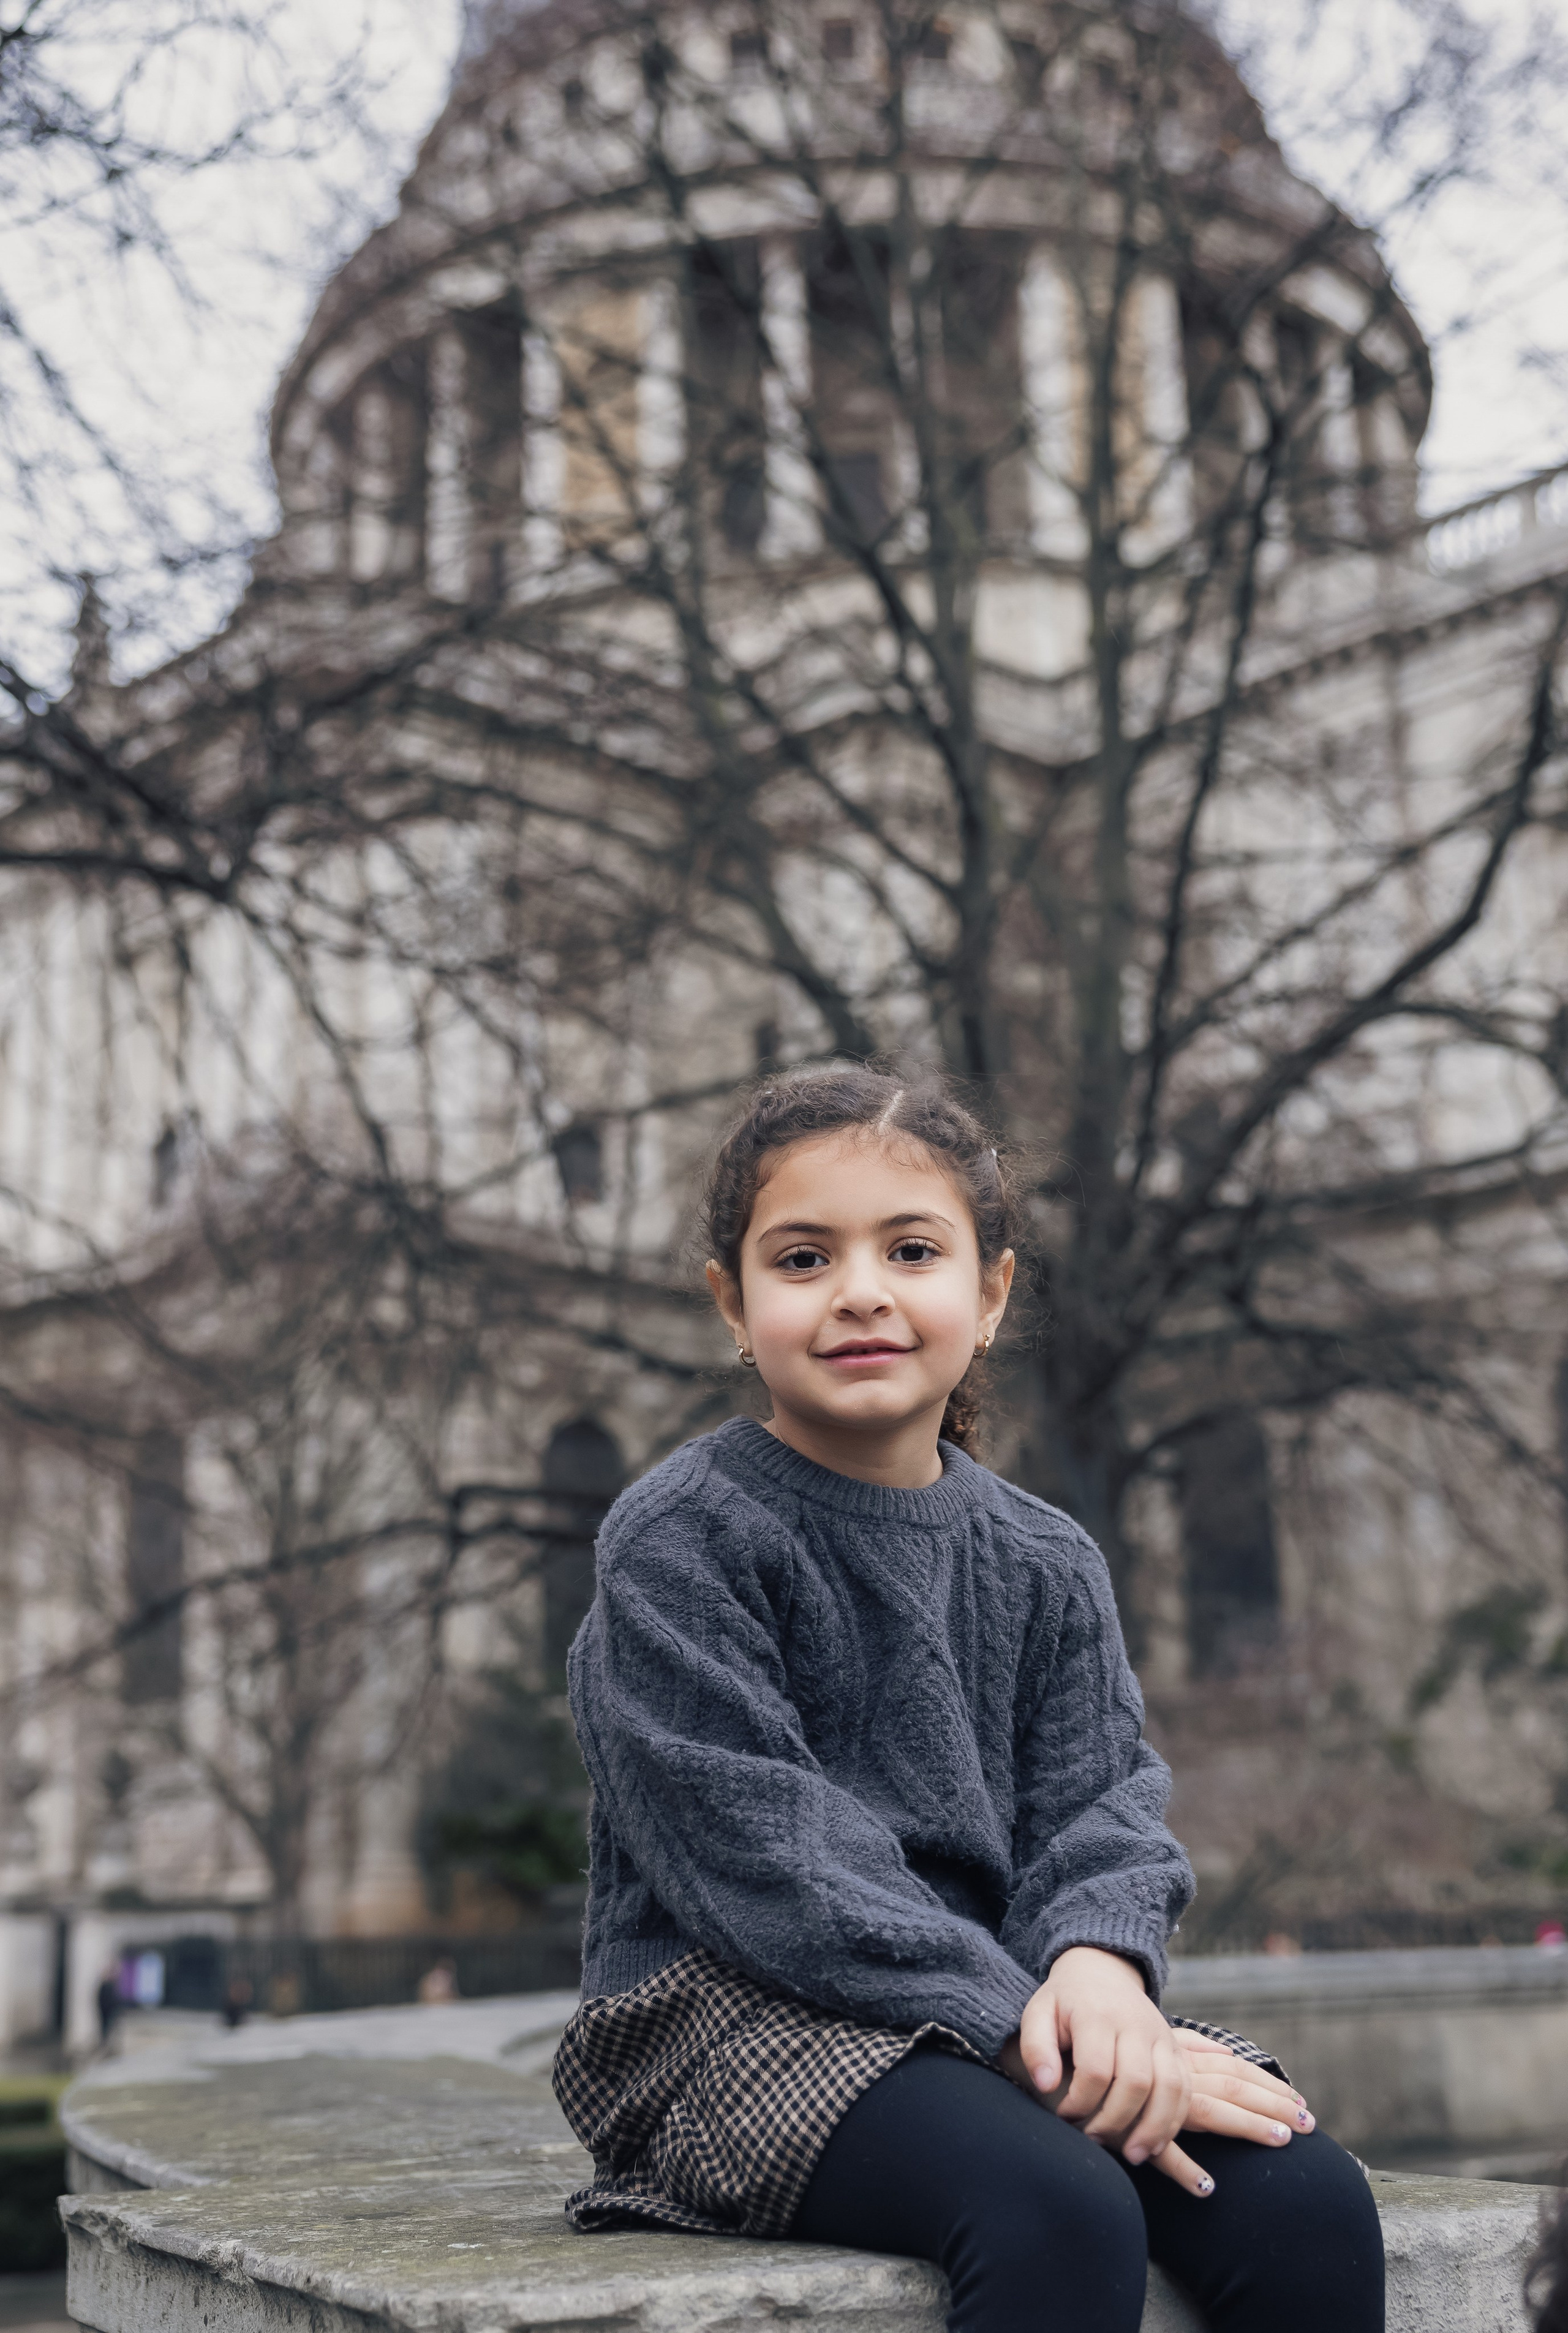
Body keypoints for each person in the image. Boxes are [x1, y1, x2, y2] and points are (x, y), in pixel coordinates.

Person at [552, 1066, 1384, 2333]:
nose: (860, 1291)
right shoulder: (681, 1537)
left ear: (988, 1295)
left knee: (1304, 2199)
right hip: (726, 2020)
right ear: (734, 1304)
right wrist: (1021, 2026)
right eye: (802, 1259)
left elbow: (1101, 1804)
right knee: (1053, 2204)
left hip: (1002, 2006)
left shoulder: (1044, 1557)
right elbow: (764, 1854)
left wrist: (1100, 1970)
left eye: (911, 1250)